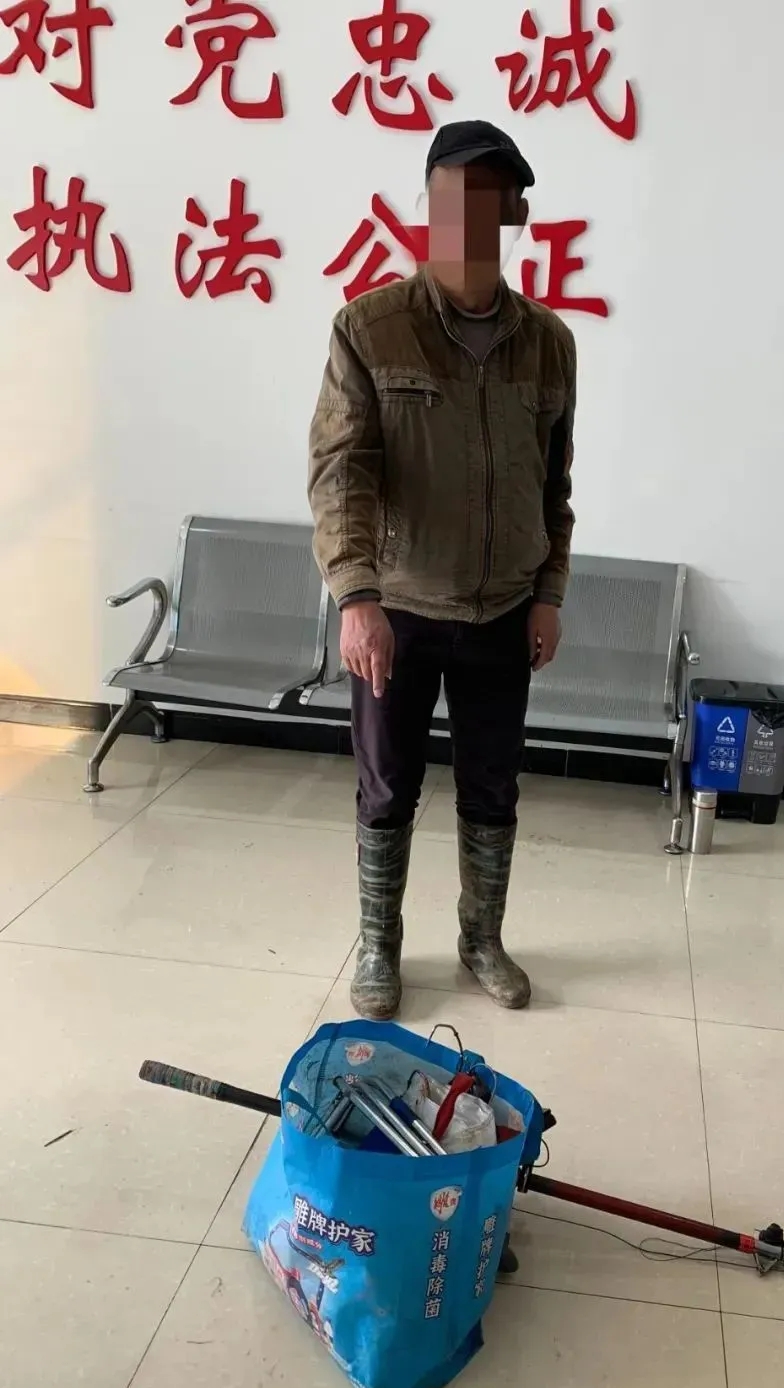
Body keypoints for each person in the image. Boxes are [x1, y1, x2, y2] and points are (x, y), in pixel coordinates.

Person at [308, 120, 576, 1021]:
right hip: (400, 610)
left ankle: (481, 939)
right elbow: (341, 473)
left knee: (492, 785)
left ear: (514, 215)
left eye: (489, 203)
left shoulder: (549, 343)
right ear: (428, 207)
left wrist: (548, 592)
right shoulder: (371, 329)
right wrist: (356, 596)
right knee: (387, 785)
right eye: (453, 199)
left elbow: (555, 486)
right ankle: (378, 945)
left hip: (503, 609)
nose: (469, 221)